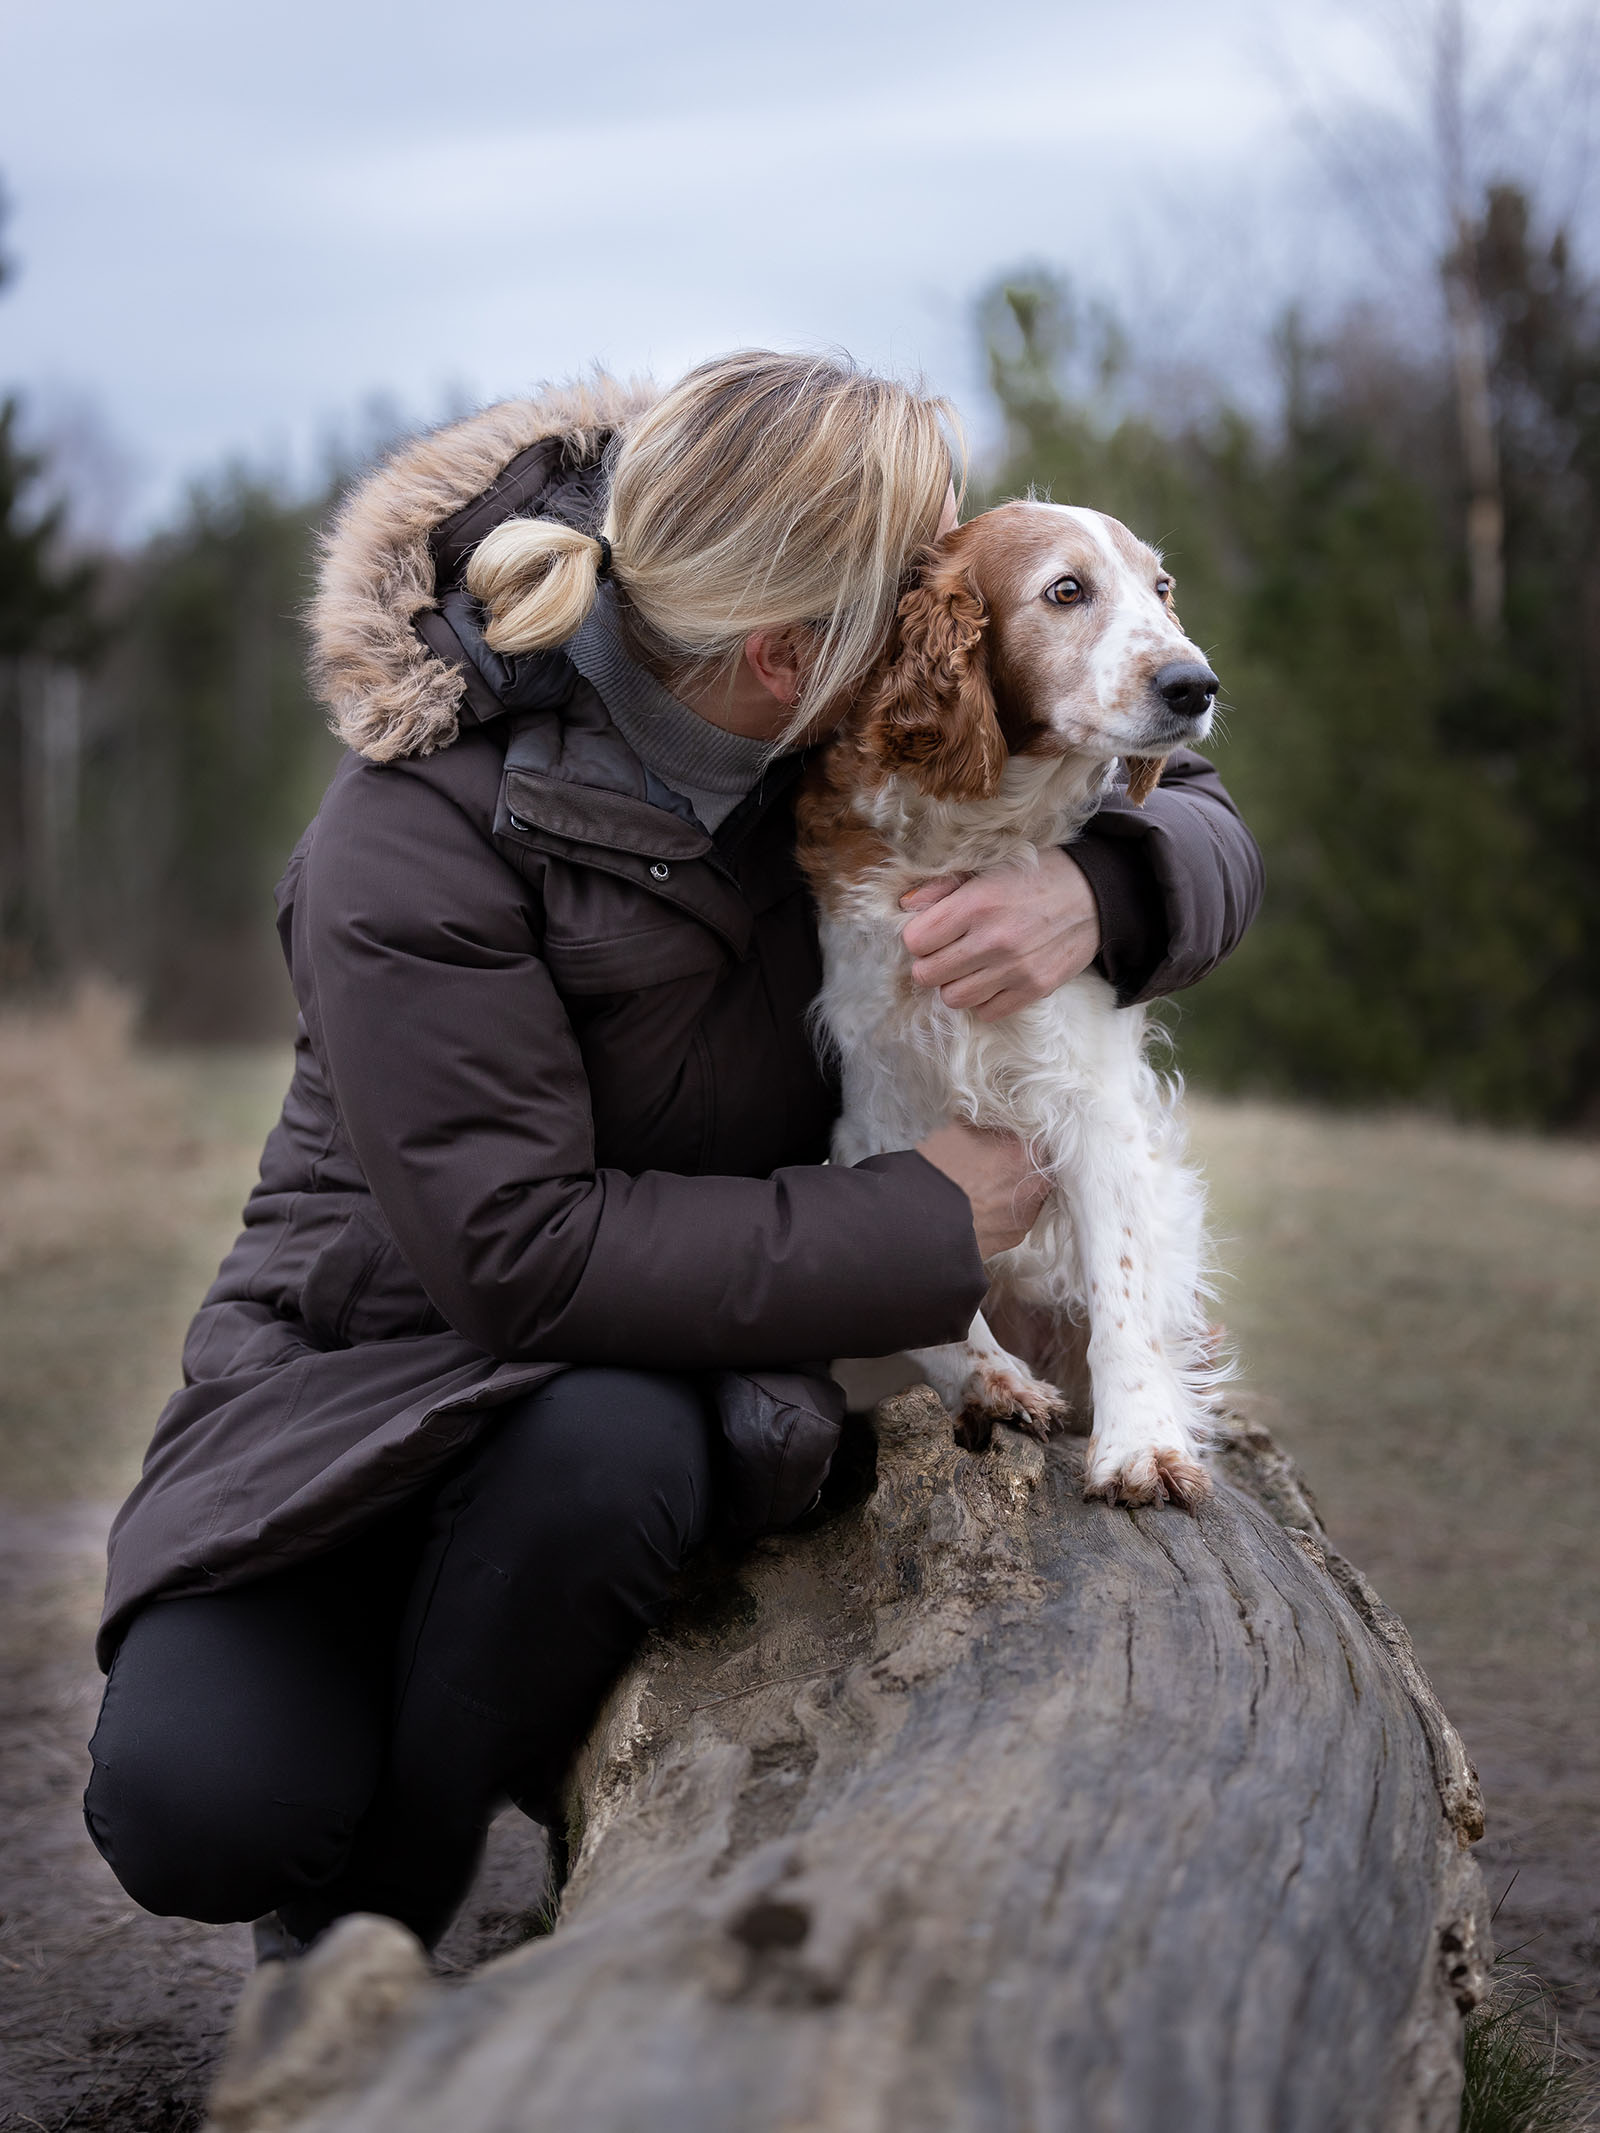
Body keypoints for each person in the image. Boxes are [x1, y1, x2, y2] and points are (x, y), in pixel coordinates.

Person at [82, 354, 1263, 1958]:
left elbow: (1180, 790)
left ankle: (376, 1916)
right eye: (903, 601)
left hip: (635, 1392)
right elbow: (518, 1253)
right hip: (360, 1383)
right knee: (199, 1806)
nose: (938, 624)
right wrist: (916, 1217)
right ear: (790, 651)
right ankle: (390, 1711)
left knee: (611, 1446)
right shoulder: (408, 834)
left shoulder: (836, 730)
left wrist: (1106, 897)